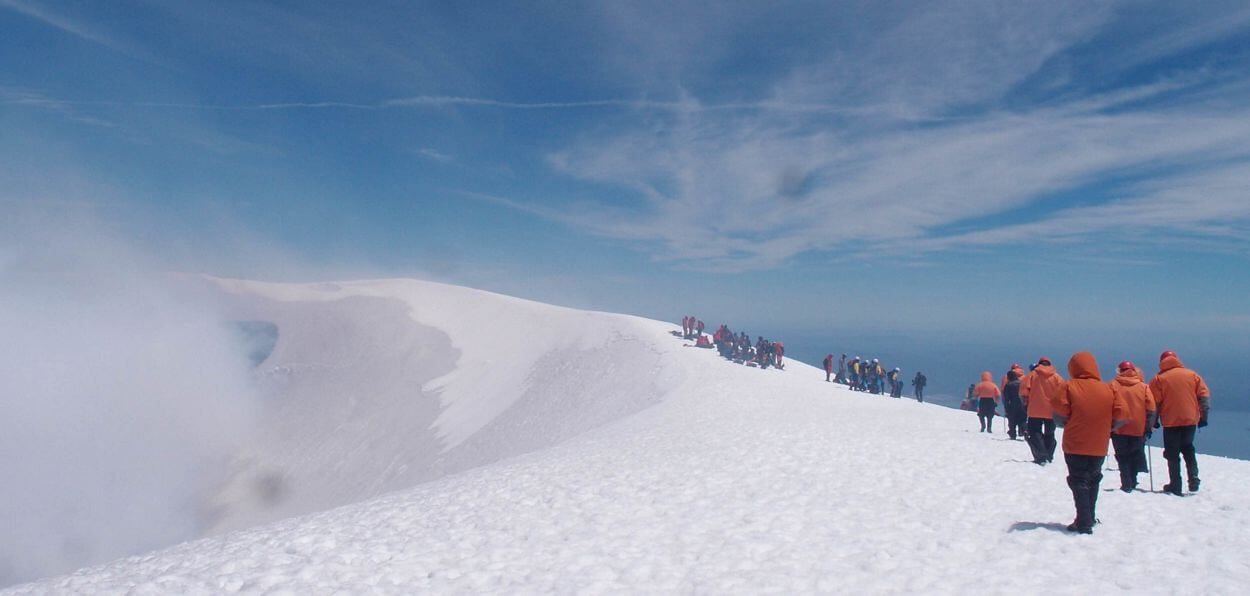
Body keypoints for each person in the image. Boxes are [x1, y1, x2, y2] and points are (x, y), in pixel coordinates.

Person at [1052, 352, 1129, 534]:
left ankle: (1084, 521)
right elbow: (1122, 415)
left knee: (1078, 480)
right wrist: (1108, 427)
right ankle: (1089, 517)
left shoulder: (1068, 386)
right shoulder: (1109, 389)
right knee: (1093, 479)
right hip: (1099, 444)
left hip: (1075, 442)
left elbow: (1059, 414)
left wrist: (1068, 422)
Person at [1148, 350, 1211, 496]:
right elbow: (1204, 397)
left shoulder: (1159, 379)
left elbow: (1154, 404)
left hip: (1171, 422)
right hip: (1190, 420)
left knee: (1172, 453)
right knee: (1188, 448)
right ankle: (1193, 478)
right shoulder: (1192, 375)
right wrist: (1204, 417)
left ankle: (1175, 485)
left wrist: (1153, 422)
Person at [1109, 361, 1157, 492]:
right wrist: (1148, 427)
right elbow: (1151, 409)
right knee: (1134, 454)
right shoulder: (1143, 387)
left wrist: (1109, 425)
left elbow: (1106, 405)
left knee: (1122, 455)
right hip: (1138, 428)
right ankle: (1133, 480)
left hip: (1119, 427)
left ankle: (1126, 483)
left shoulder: (1112, 385)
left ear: (1120, 371)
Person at [1022, 357, 1064, 465]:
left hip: (1035, 409)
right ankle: (1049, 455)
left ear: (1039, 364)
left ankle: (1041, 455)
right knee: (1050, 433)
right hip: (1052, 410)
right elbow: (1063, 393)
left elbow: (1024, 391)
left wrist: (1025, 403)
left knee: (1035, 432)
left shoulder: (1032, 375)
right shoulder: (1057, 377)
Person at [1002, 370, 1026, 440]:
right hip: (1022, 404)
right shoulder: (1022, 384)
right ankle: (1024, 430)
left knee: (1012, 420)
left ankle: (1012, 434)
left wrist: (1006, 409)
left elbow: (1006, 398)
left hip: (1013, 404)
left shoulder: (1008, 385)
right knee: (1022, 419)